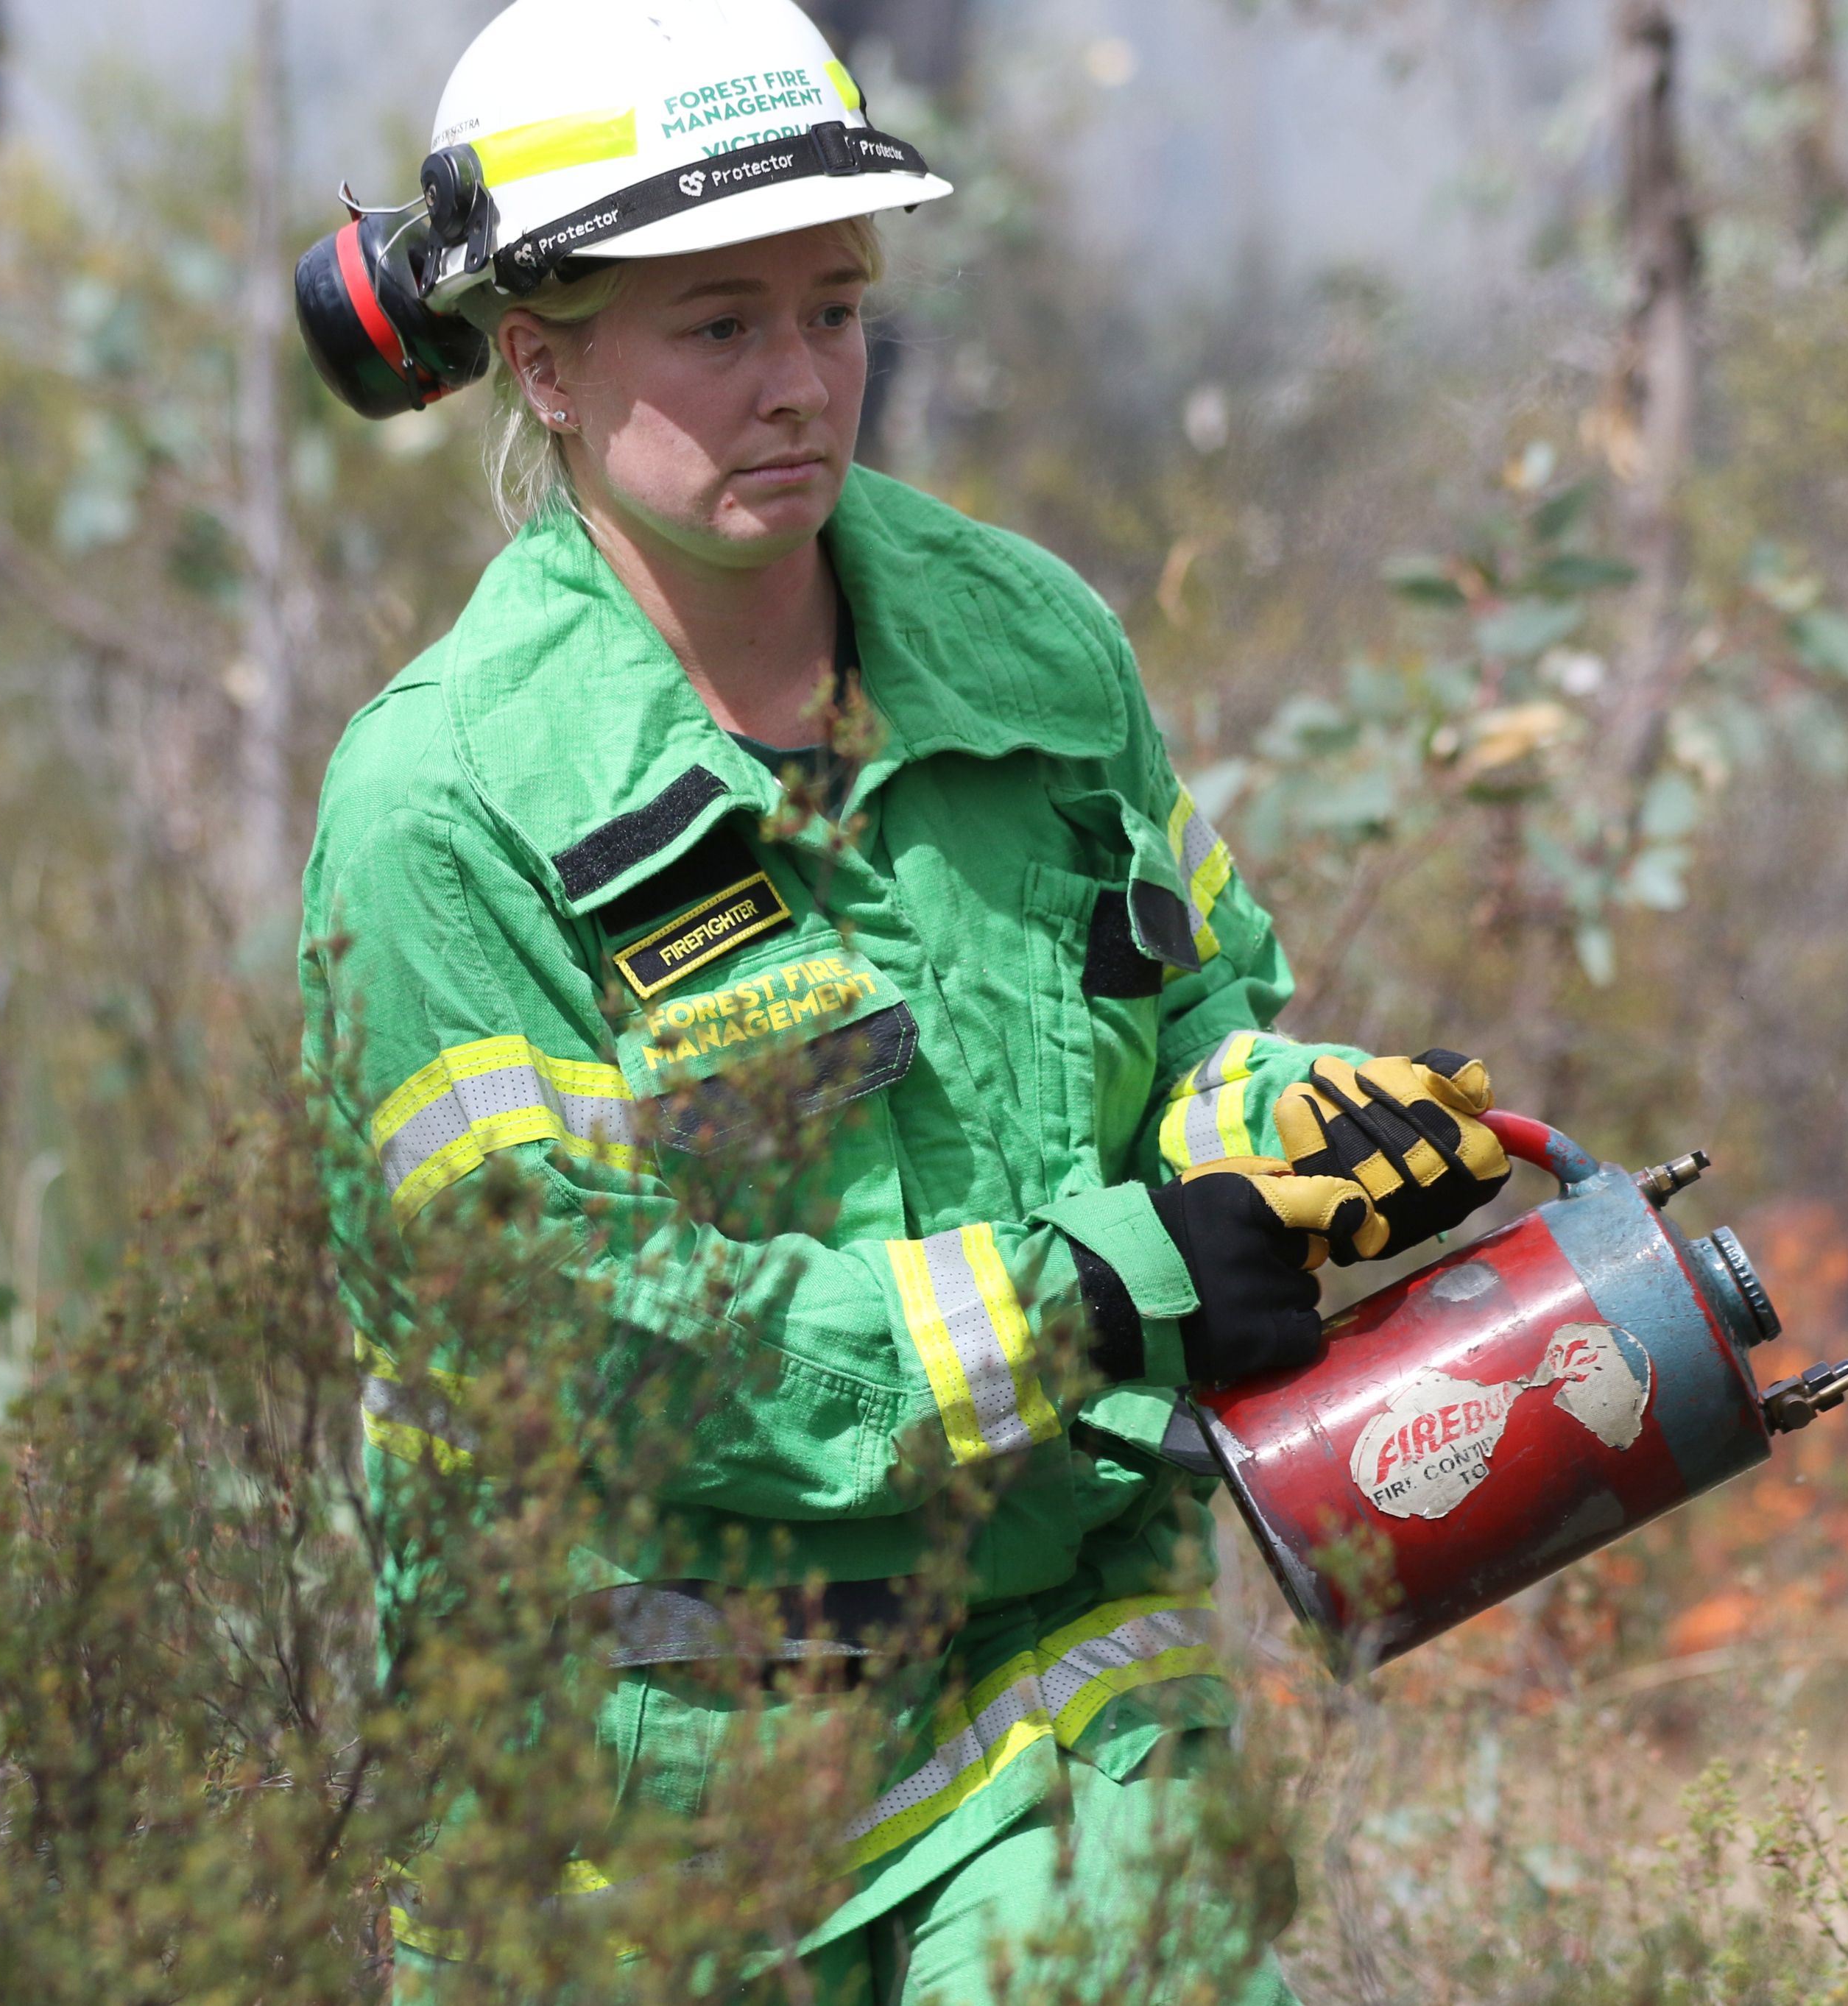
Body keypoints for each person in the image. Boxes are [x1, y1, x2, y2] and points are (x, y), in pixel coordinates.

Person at [296, 2, 1513, 1998]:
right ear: (542, 358)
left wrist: (1284, 1133)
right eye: (718, 326)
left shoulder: (1030, 642)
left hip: (1055, 1687)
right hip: (633, 1835)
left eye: (836, 309)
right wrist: (1095, 1294)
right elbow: (577, 1349)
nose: (801, 384)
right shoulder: (444, 807)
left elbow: (1197, 1018)